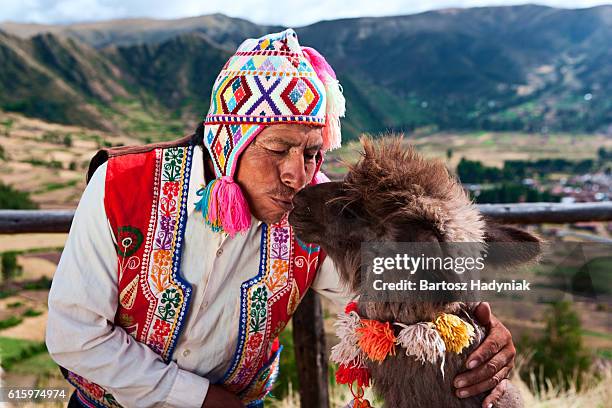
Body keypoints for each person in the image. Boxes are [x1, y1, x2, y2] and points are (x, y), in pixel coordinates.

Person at [46, 29, 516, 408]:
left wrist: (477, 328)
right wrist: (205, 400)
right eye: (276, 149)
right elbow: (74, 336)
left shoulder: (317, 220)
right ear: (228, 142)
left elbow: (386, 291)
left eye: (312, 153)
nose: (298, 174)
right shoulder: (122, 186)